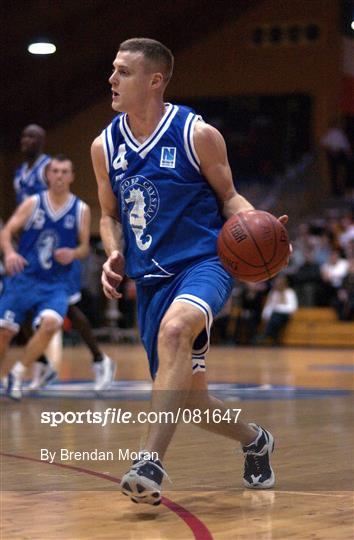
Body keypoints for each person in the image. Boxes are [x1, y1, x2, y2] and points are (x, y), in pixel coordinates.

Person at [91, 38, 289, 505]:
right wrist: (112, 252)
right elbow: (107, 214)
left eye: (123, 71)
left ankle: (150, 463)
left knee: (178, 329)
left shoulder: (196, 133)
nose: (112, 79)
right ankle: (255, 440)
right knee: (193, 402)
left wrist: (256, 223)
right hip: (151, 280)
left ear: (154, 80)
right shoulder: (104, 145)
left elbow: (229, 198)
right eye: (113, 70)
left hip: (203, 265)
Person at [13, 125, 116, 392]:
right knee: (21, 308)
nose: (27, 141)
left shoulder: (50, 167)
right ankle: (44, 363)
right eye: (24, 136)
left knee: (68, 309)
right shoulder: (18, 175)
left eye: (33, 137)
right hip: (32, 254)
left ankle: (99, 359)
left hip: (59, 252)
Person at [0, 155, 90, 400]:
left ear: (72, 176)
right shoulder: (33, 203)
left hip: (55, 283)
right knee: (5, 332)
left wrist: (74, 252)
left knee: (51, 324)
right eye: (55, 171)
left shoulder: (81, 209)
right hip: (25, 278)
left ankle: (16, 374)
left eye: (65, 171)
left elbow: (84, 247)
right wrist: (9, 253)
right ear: (47, 176)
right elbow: (7, 231)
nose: (60, 176)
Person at [256, 275, 298, 345]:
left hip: (285, 315)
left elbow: (292, 308)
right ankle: (274, 339)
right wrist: (265, 315)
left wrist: (278, 307)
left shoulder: (289, 292)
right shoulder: (273, 293)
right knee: (275, 318)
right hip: (273, 317)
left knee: (276, 316)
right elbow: (268, 307)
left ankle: (267, 334)